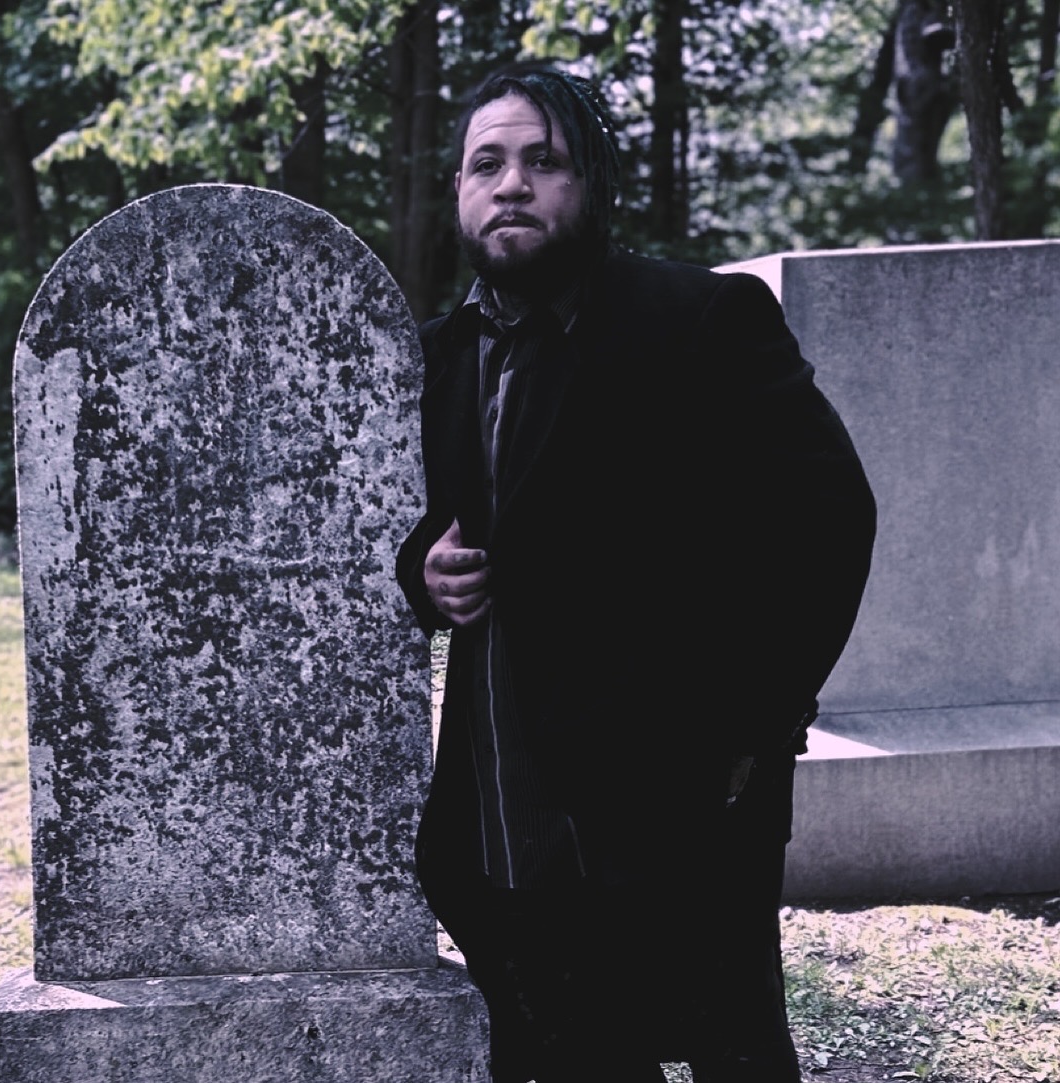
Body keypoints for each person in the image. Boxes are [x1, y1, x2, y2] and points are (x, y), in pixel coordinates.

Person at [395, 61, 877, 1083]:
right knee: (568, 1056)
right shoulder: (434, 358)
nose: (512, 184)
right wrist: (425, 575)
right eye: (487, 163)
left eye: (543, 160)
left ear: (591, 183)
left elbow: (828, 520)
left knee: (729, 1048)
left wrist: (754, 727)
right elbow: (416, 535)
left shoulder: (702, 318)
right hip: (503, 800)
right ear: (459, 191)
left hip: (684, 796)